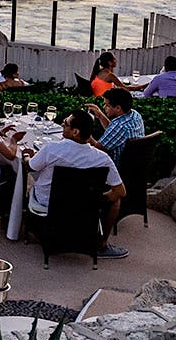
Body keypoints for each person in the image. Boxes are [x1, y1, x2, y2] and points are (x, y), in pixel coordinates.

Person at [23, 108, 128, 259]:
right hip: (84, 208)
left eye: (65, 124)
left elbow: (30, 167)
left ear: (75, 132)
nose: (62, 124)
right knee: (115, 200)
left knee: (30, 182)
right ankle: (101, 244)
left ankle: (15, 222)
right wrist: (95, 200)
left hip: (47, 204)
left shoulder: (52, 149)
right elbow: (121, 192)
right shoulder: (102, 159)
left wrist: (27, 155)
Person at [87, 87, 145, 166]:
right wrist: (100, 115)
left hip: (115, 167)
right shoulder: (135, 115)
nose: (104, 107)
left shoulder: (120, 126)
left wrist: (85, 133)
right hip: (134, 165)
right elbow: (113, 132)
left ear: (118, 108)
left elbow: (99, 150)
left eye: (107, 105)